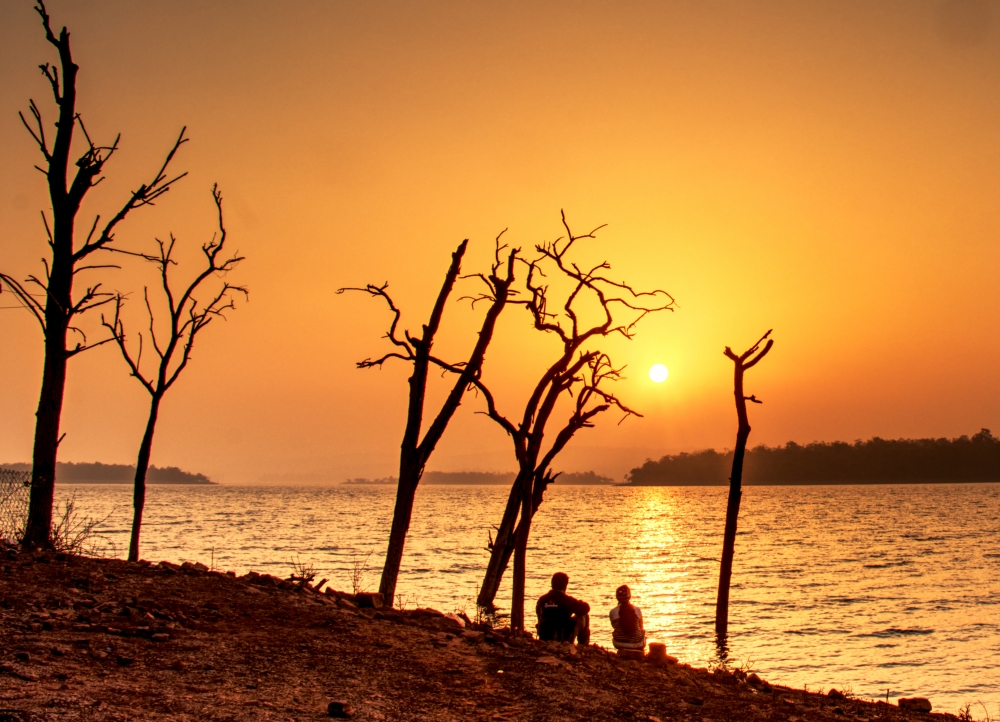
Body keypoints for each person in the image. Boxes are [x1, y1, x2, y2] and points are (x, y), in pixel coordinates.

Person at [535, 572, 590, 645]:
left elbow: (539, 616)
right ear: (566, 585)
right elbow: (585, 608)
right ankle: (583, 644)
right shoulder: (567, 600)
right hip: (563, 636)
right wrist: (579, 602)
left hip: (544, 635)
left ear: (552, 583)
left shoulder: (542, 600)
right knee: (584, 615)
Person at [609, 584, 646, 653]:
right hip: (637, 644)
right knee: (643, 632)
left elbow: (614, 626)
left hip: (619, 643)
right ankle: (640, 653)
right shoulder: (637, 610)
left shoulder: (612, 612)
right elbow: (641, 627)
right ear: (629, 596)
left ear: (617, 597)